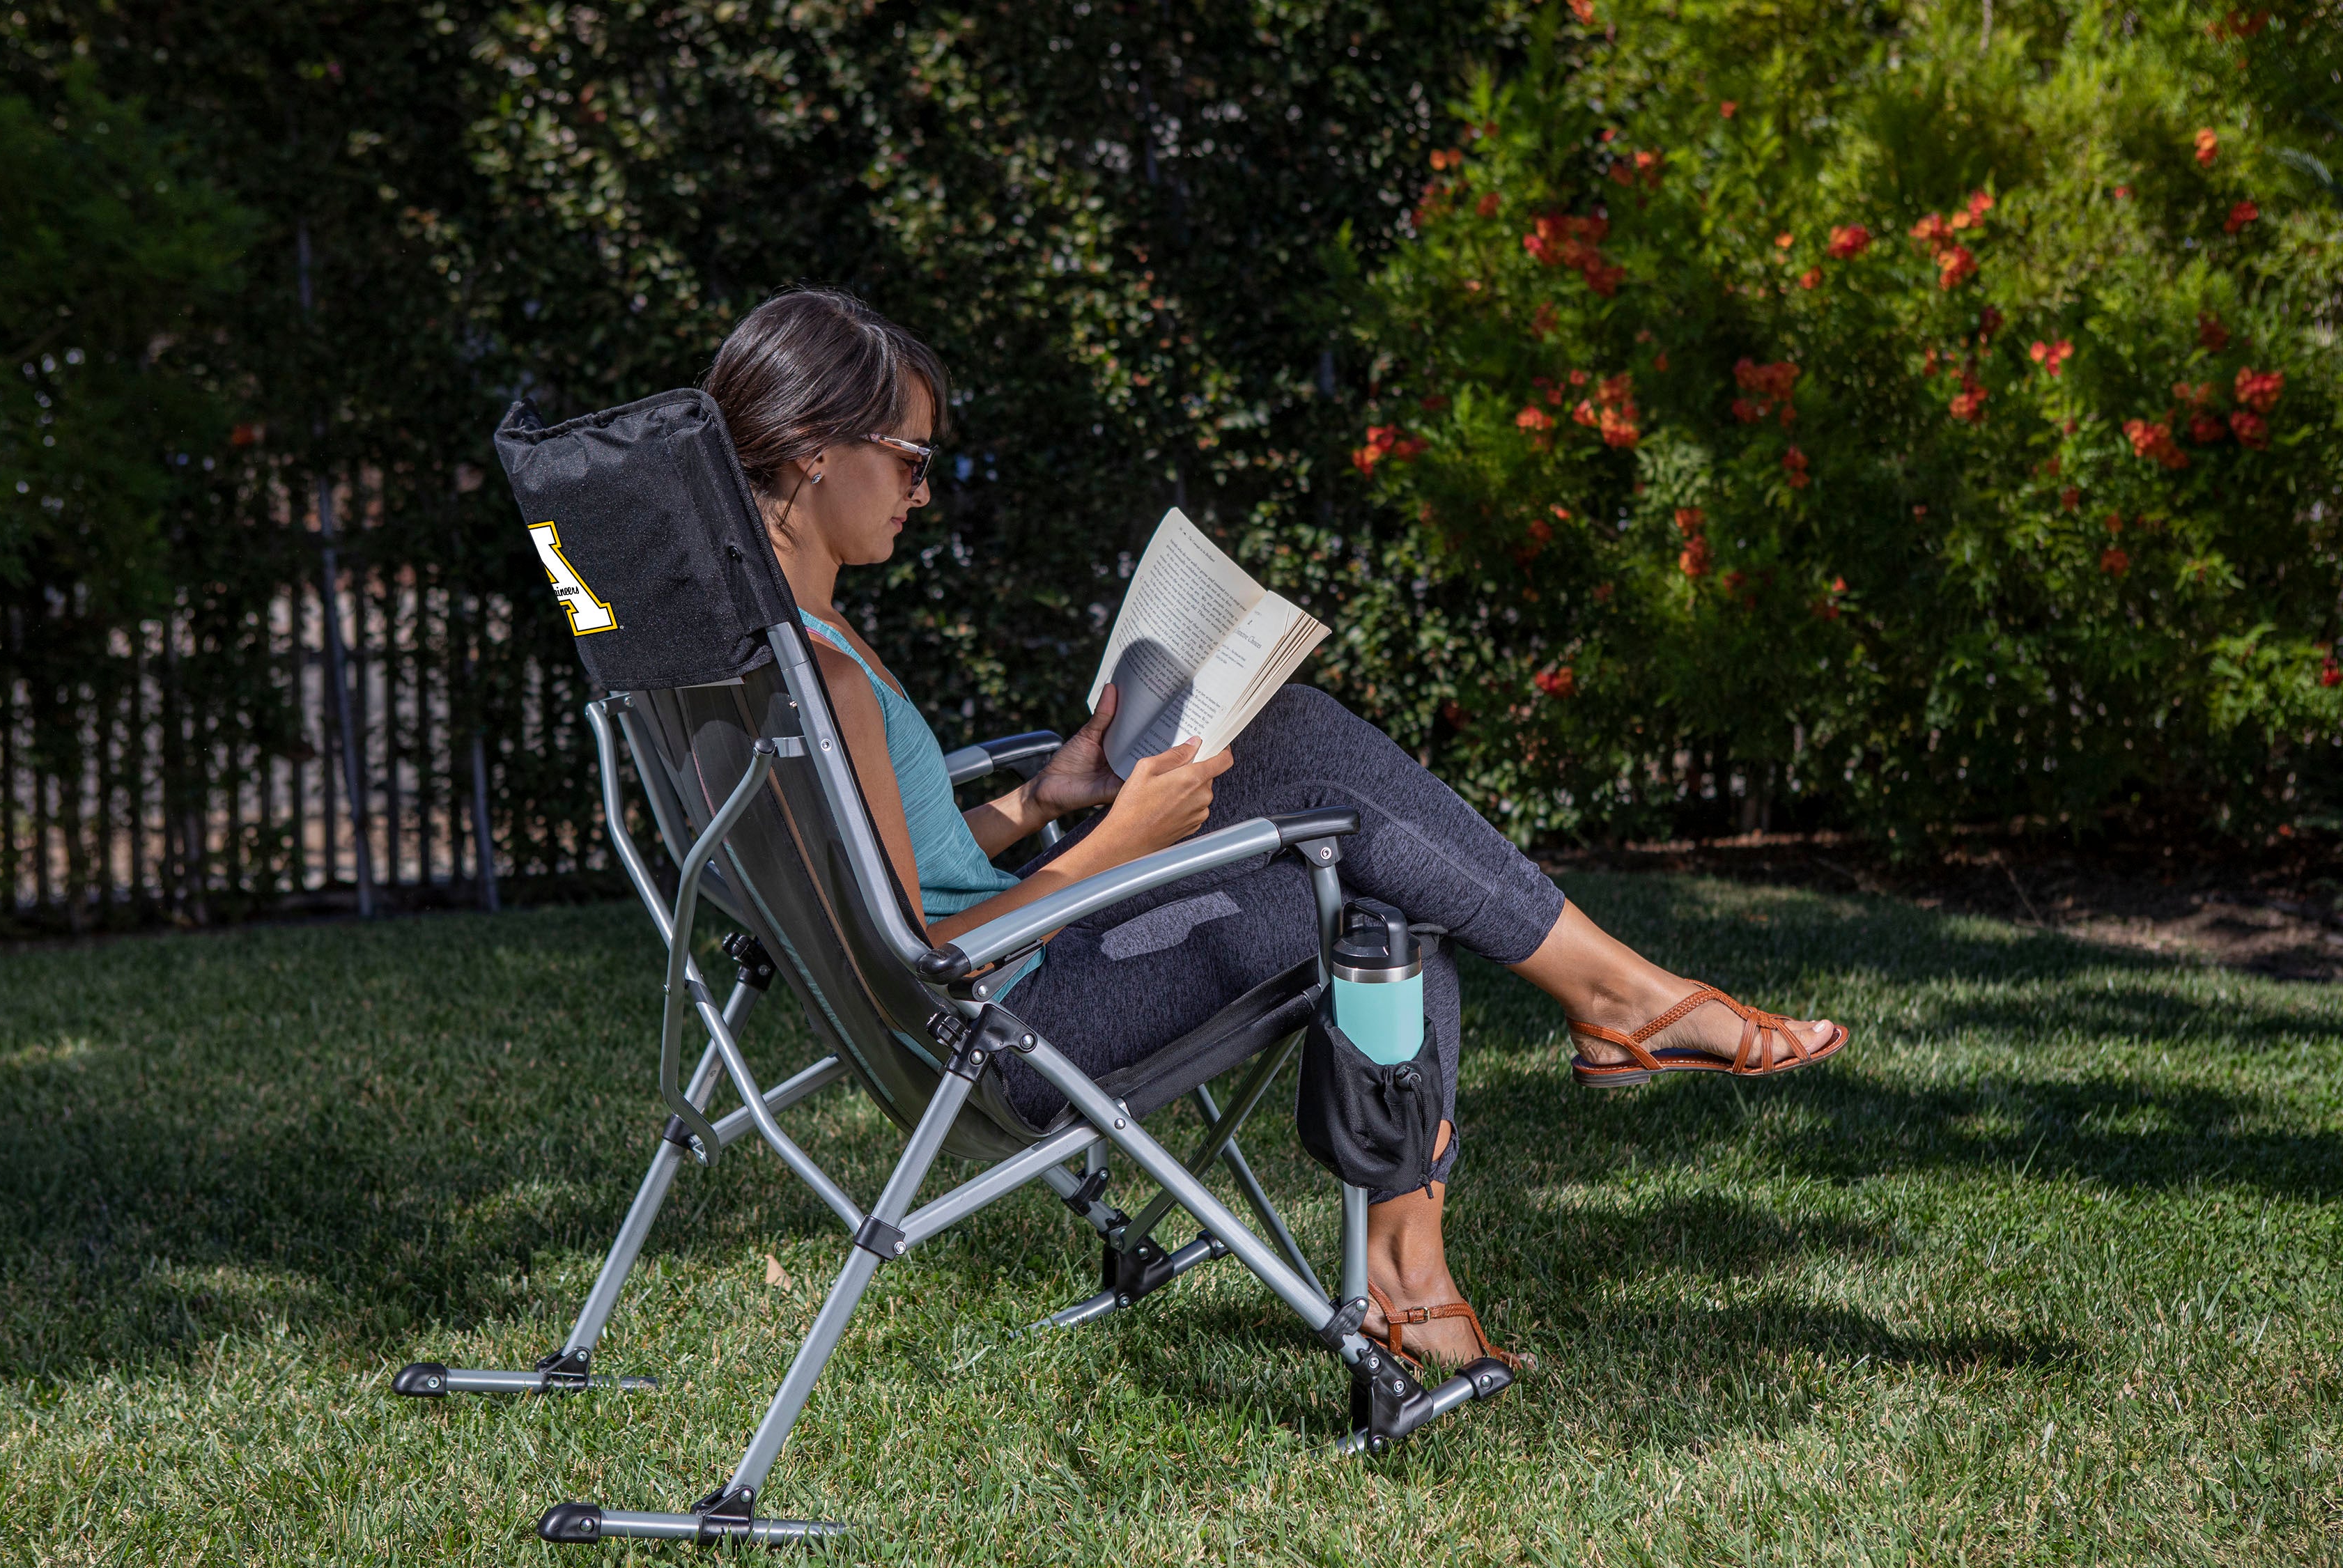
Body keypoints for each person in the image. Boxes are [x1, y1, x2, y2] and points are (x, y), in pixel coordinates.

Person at [704, 289, 1847, 1372]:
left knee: (1336, 806)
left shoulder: (770, 655)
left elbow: (891, 873)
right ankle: (1559, 1082)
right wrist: (1122, 843)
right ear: (814, 449)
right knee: (1365, 864)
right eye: (909, 458)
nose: (924, 489)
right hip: (1014, 1034)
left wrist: (1050, 801)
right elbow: (919, 956)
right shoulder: (824, 678)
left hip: (988, 1006)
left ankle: (1504, 1157)